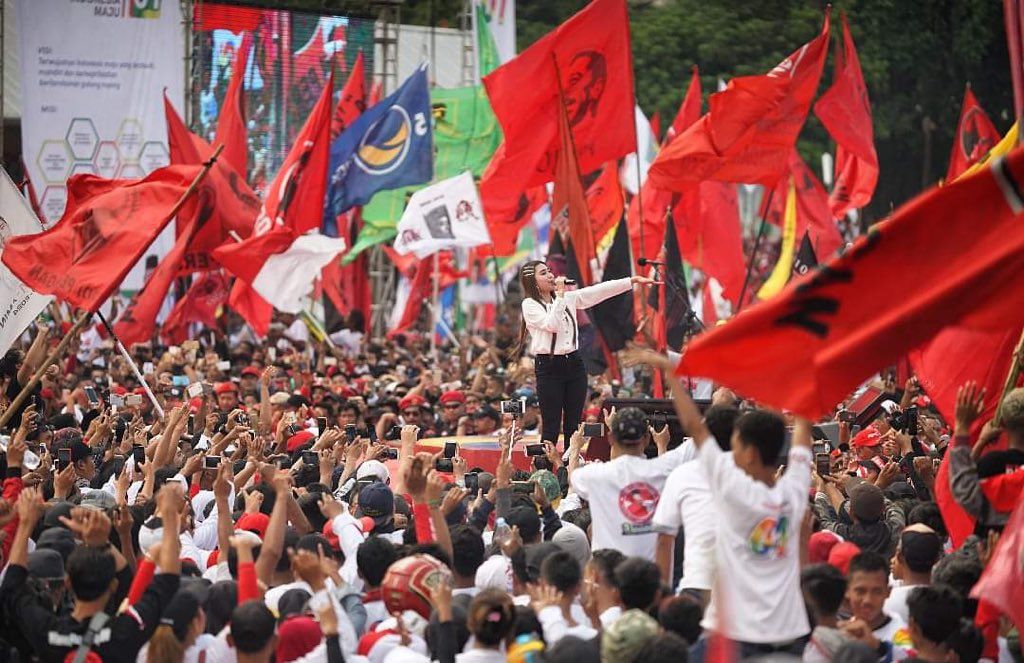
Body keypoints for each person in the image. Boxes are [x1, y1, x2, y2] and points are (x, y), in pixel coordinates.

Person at [641, 351, 813, 657]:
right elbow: (802, 435)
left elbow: (695, 427)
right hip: (791, 634)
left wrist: (670, 373)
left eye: (736, 447)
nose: (730, 454)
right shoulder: (796, 488)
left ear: (749, 454)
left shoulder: (733, 489)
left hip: (739, 635)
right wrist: (805, 381)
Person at [514, 260, 654, 447]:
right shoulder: (530, 304)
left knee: (574, 424)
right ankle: (546, 470)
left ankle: (571, 465)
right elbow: (551, 324)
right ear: (532, 280)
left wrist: (631, 281)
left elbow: (597, 292)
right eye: (543, 273)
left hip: (574, 363)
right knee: (551, 426)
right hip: (548, 367)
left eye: (549, 271)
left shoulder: (567, 298)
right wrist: (561, 295)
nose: (550, 275)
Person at [568, 408, 688, 560]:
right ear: (646, 439)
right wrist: (662, 446)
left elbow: (573, 480)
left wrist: (575, 448)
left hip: (609, 576)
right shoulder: (663, 471)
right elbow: (702, 437)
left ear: (610, 439)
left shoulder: (596, 475)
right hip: (649, 574)